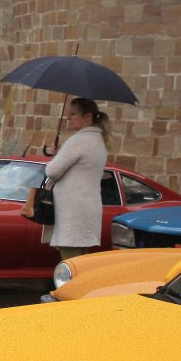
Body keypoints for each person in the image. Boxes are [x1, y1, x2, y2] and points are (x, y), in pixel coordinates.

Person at [43, 98, 110, 260]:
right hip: (87, 212)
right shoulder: (98, 141)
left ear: (87, 117)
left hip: (72, 214)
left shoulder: (78, 140)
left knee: (70, 266)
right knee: (82, 264)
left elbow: (52, 171)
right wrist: (60, 154)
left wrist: (56, 157)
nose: (68, 118)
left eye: (73, 114)